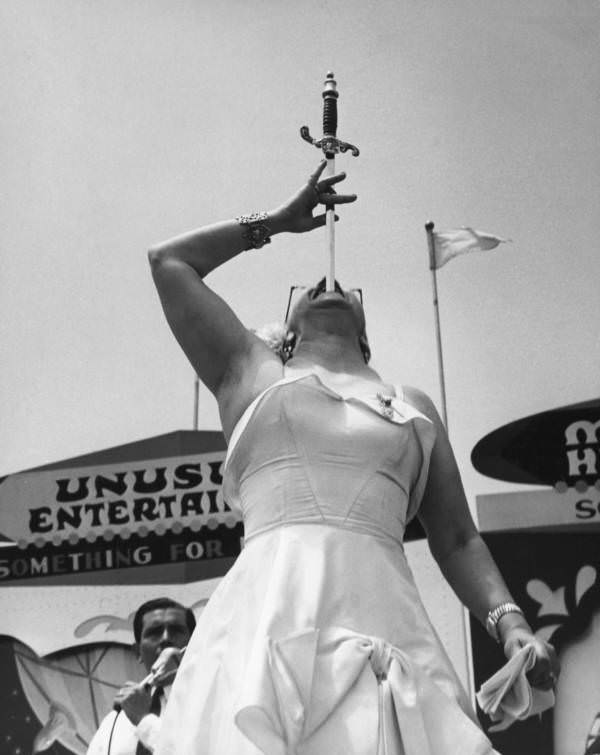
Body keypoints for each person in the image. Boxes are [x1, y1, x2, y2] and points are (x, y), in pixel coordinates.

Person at [148, 160, 559, 755]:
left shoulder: (410, 403)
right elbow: (169, 263)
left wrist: (513, 626)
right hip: (265, 619)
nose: (326, 284)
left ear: (367, 333)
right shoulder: (249, 372)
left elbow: (459, 540)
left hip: (388, 626)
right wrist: (276, 222)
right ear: (285, 331)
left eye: (343, 291)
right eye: (306, 290)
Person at [86, 597, 195, 755]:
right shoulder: (116, 720)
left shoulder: (212, 701)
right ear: (138, 652)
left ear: (195, 644)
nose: (166, 638)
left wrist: (144, 721)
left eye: (176, 630)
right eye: (154, 633)